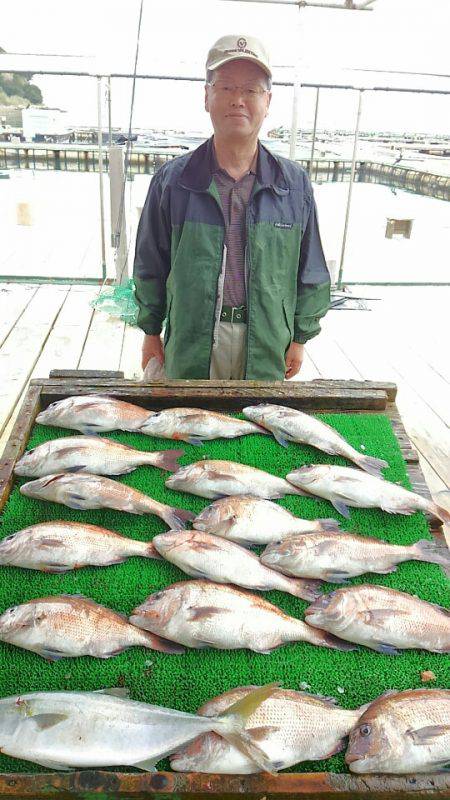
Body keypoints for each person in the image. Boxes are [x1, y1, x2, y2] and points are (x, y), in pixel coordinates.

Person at [133, 34, 330, 380]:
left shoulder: (293, 185)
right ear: (206, 96)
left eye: (251, 90)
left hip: (268, 341)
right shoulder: (171, 181)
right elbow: (150, 263)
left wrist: (300, 337)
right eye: (225, 88)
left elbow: (311, 269)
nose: (237, 100)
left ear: (267, 101)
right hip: (191, 340)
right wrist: (151, 330)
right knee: (191, 426)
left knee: (258, 428)